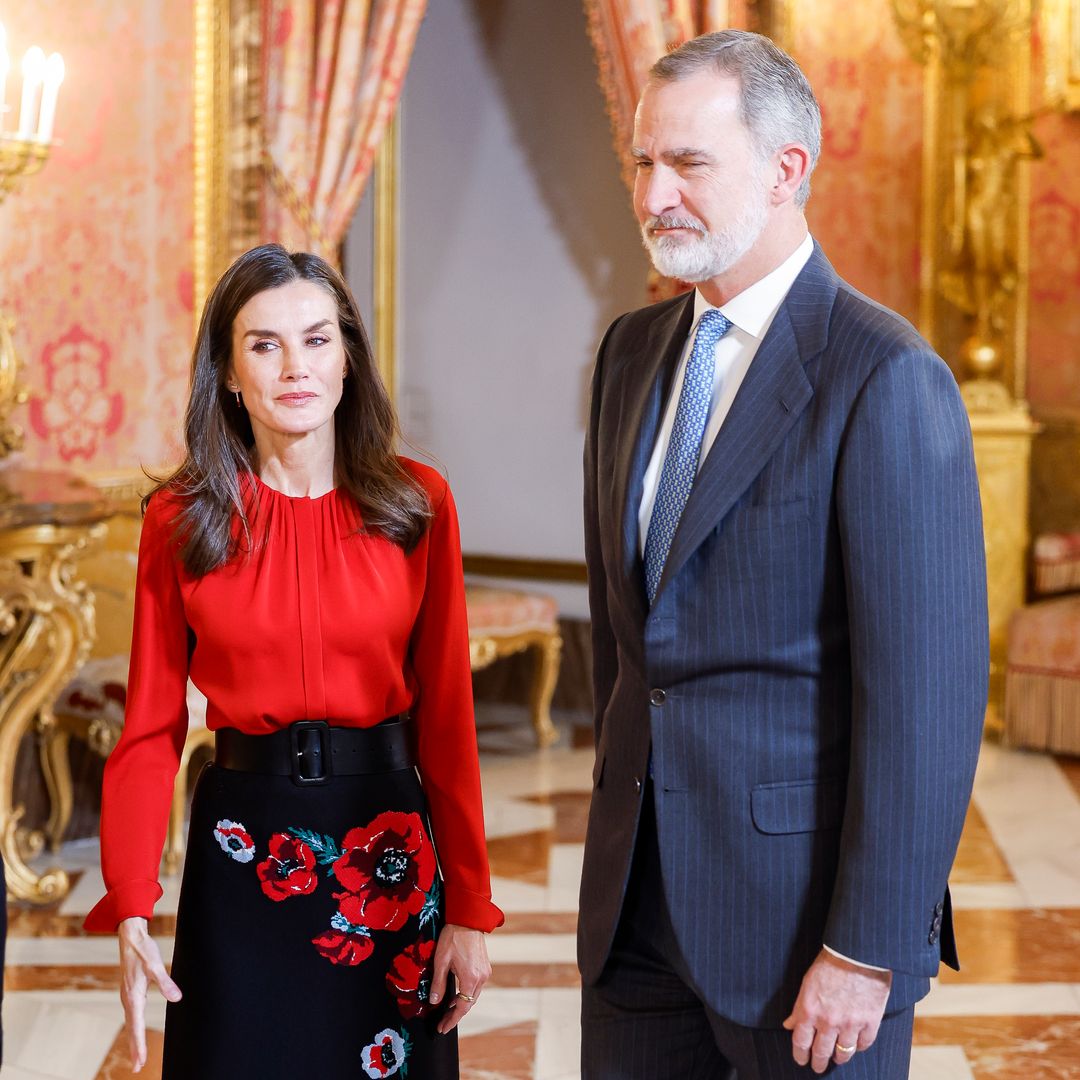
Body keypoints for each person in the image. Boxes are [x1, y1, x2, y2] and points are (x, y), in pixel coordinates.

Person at [578, 30, 988, 1079]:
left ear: (786, 170)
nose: (653, 193)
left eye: (688, 164)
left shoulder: (885, 375)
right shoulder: (630, 354)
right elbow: (625, 642)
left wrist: (868, 945)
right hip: (634, 919)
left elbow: (926, 703)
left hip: (804, 936)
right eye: (642, 163)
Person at [84, 243, 503, 1078]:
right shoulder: (180, 519)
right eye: (263, 344)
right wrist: (131, 899)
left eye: (316, 339)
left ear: (349, 356)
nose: (295, 367)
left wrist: (472, 907)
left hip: (385, 846)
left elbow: (450, 724)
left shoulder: (418, 503)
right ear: (230, 373)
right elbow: (150, 728)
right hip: (244, 852)